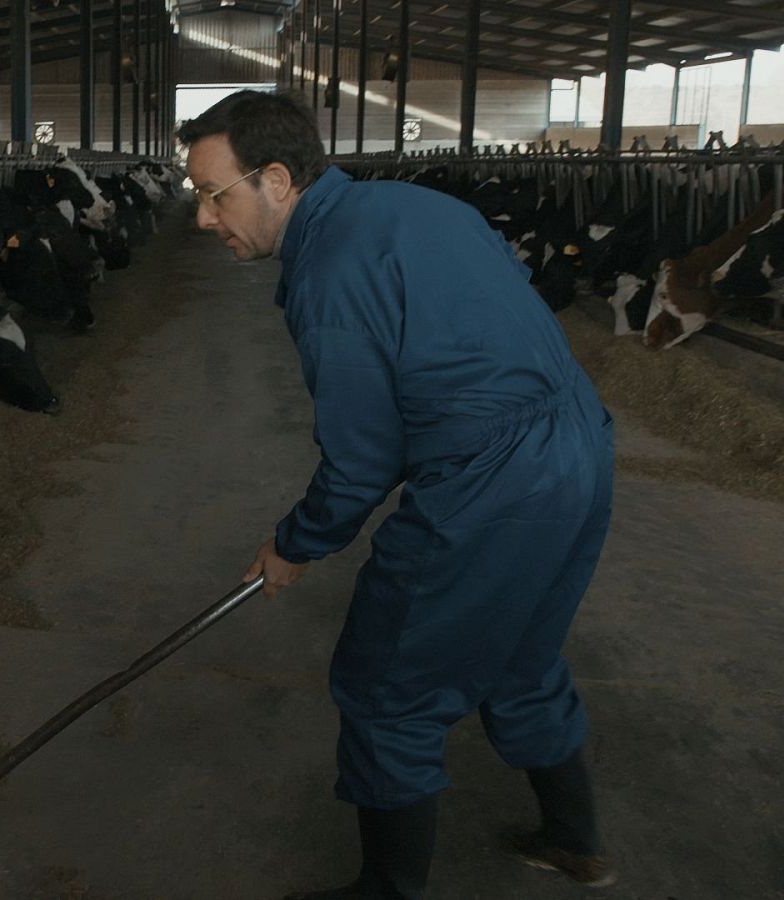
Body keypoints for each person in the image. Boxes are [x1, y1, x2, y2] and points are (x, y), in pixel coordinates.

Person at [177, 90, 617, 899]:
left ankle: (389, 889)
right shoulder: (414, 205)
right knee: (519, 654)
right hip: (581, 446)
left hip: (494, 479)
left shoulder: (332, 274)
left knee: (387, 688)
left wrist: (294, 544)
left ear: (275, 178)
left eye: (213, 195)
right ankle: (574, 840)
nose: (204, 219)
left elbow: (360, 460)